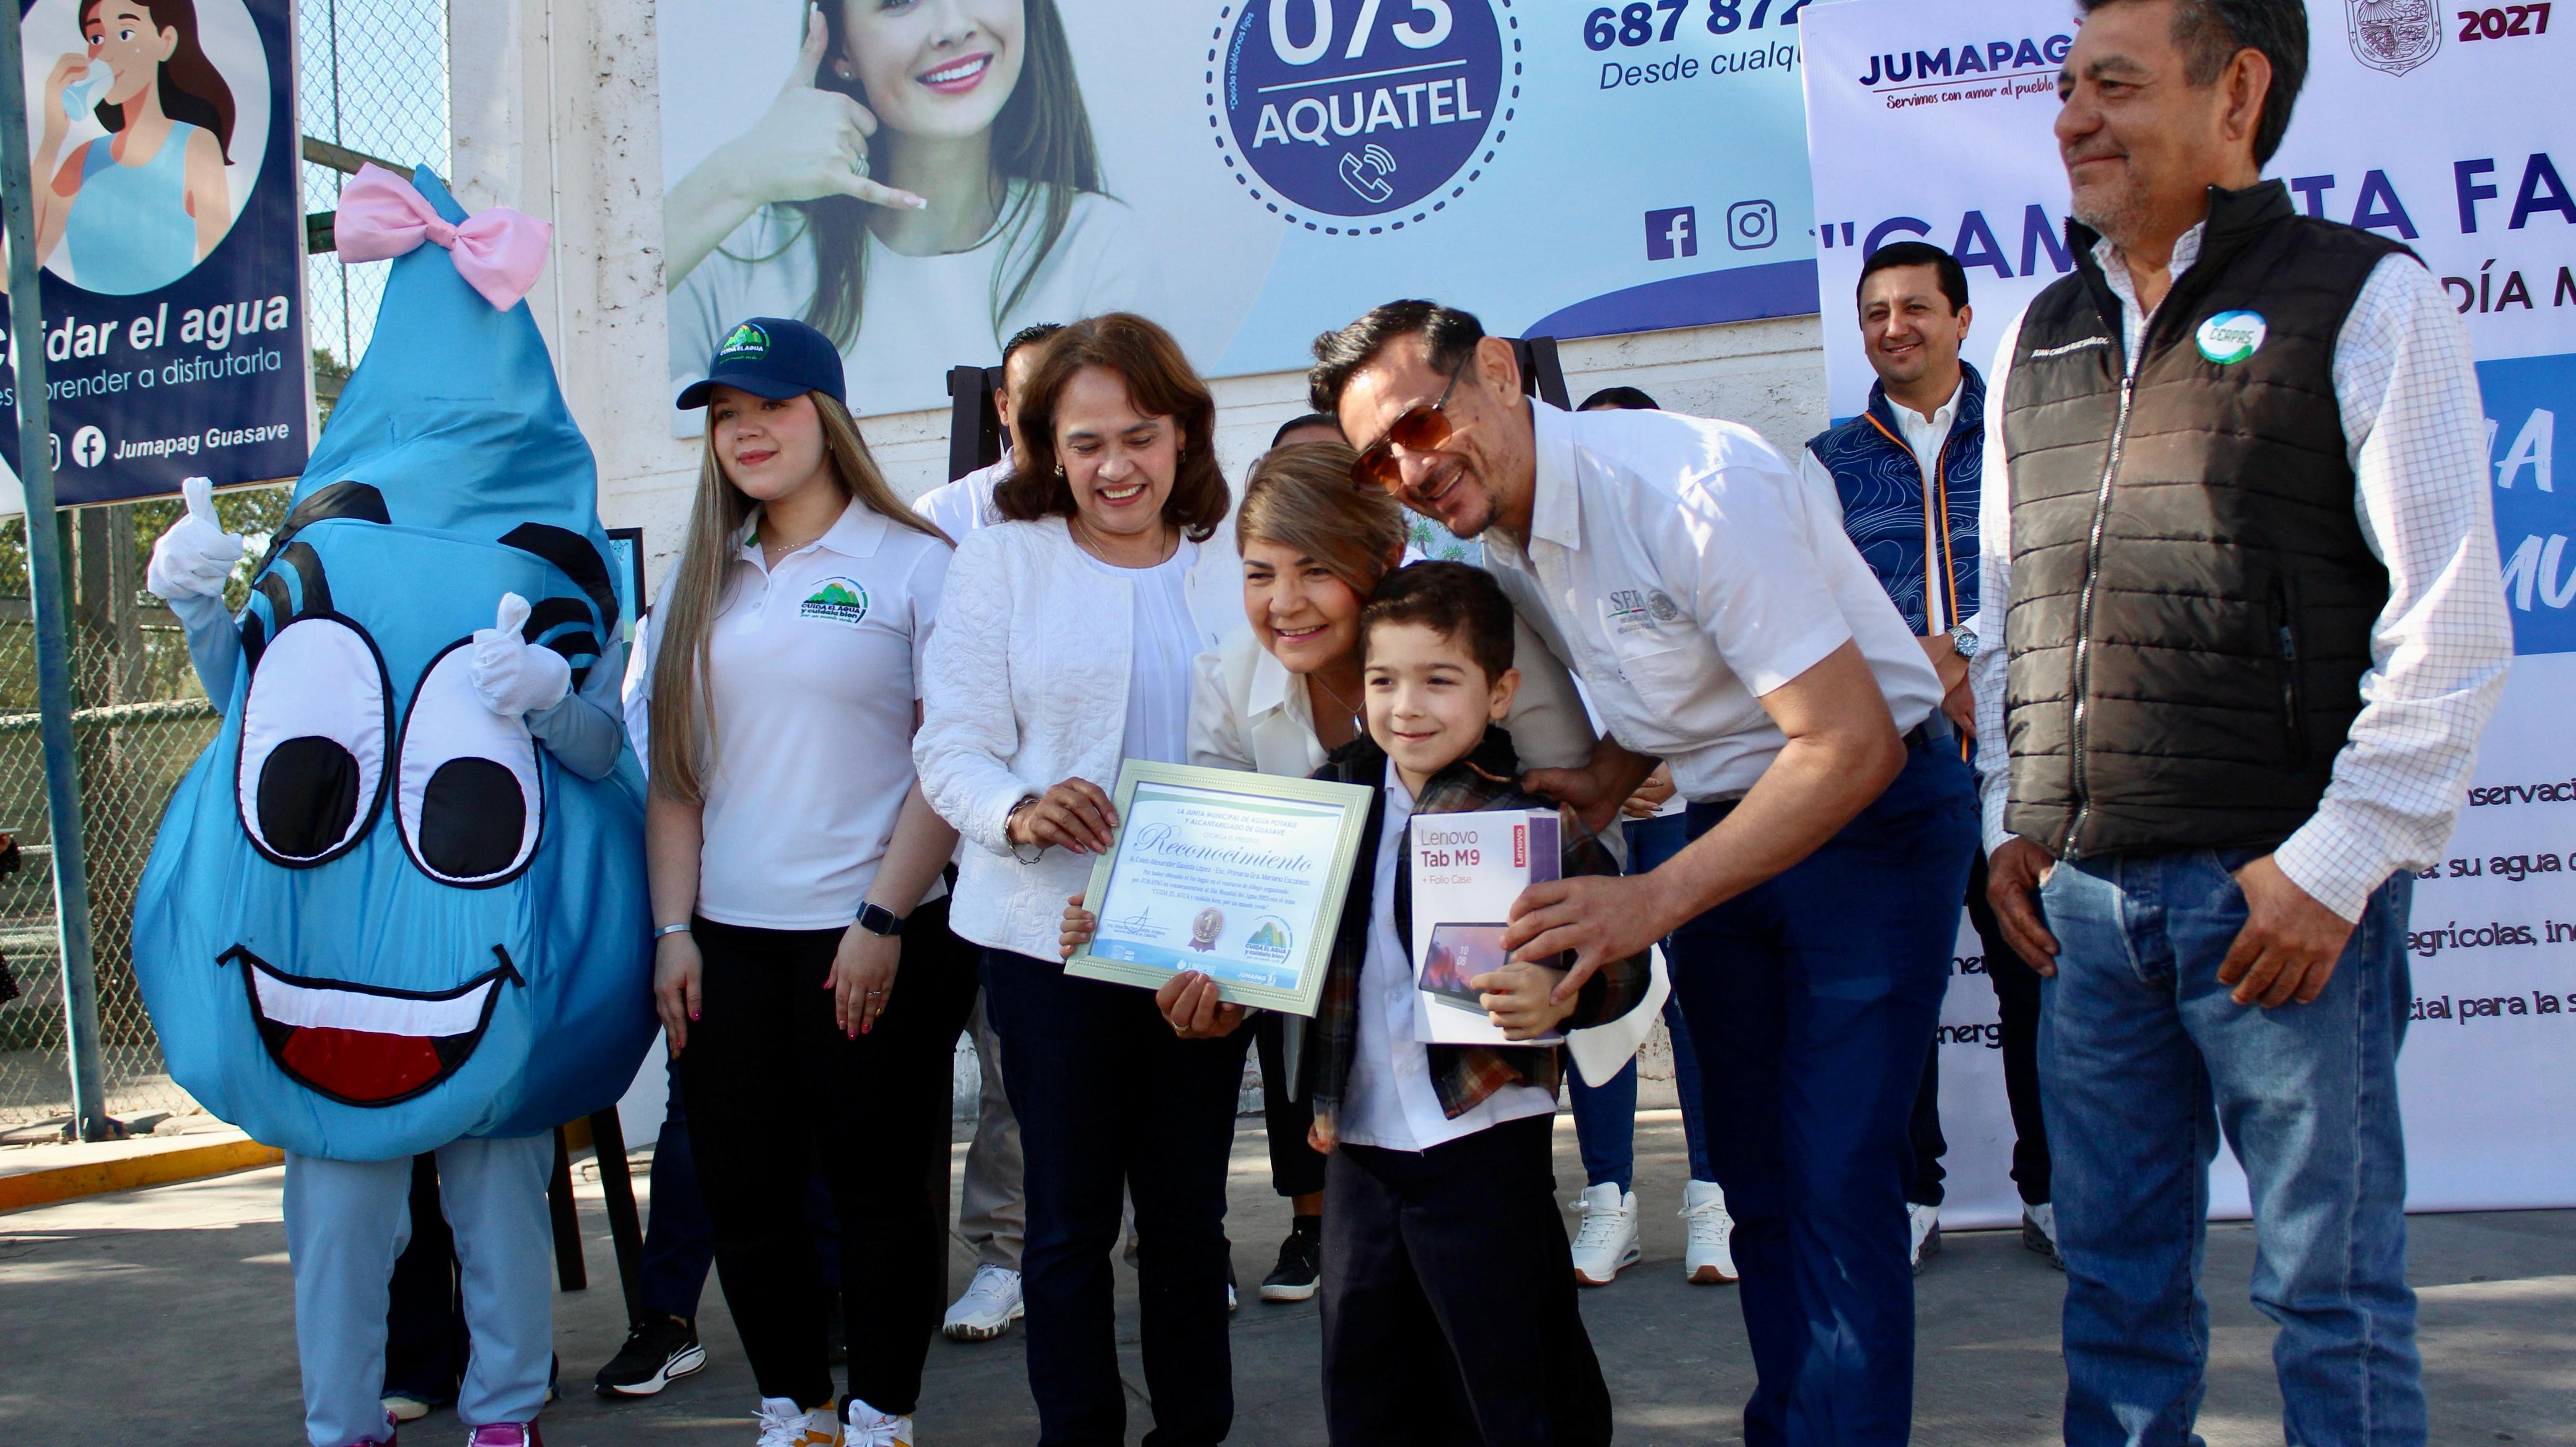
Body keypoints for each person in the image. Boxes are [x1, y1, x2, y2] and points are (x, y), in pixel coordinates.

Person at [1977, 3, 2511, 1441]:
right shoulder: (2043, 329)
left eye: (2113, 85)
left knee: (2327, 1291)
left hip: (2279, 912)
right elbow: (2012, 607)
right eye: (2065, 86)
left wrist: (2331, 865)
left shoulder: (2363, 297)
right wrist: (2012, 815)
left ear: (2239, 92)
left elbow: (2451, 618)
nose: (2070, 117)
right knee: (2114, 1289)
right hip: (2084, 913)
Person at [1313, 300, 1975, 1446]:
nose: (1411, 467)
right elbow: (1688, 678)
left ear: (1501, 374)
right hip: (1733, 828)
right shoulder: (1505, 543)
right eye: (1381, 456)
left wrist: (1648, 900)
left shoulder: (1689, 486)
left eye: (1420, 423)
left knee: (1834, 1183)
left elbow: (1850, 742)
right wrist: (1612, 779)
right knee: (1759, 1189)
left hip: (1866, 823)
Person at [1073, 562, 1651, 1446]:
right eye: (1384, 680)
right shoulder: (1321, 805)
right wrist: (1123, 926)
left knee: (1501, 1374)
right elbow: (1246, 941)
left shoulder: (1527, 817)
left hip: (1482, 1136)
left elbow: (1627, 959)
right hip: (1357, 1145)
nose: (1407, 706)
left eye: (1439, 680)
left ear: (1500, 695)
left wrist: (1560, 991)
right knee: (1365, 1372)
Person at [645, 316, 979, 1447]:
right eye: (728, 417)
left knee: (883, 1194)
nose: (747, 433)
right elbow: (676, 779)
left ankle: (883, 1412)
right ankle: (795, 1408)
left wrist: (885, 915)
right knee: (744, 1196)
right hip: (727, 945)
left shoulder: (913, 563)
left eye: (771, 409)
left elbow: (950, 761)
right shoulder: (701, 578)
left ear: (827, 419)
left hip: (873, 938)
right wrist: (672, 931)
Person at [914, 312, 1247, 1446]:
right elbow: (949, 742)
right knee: (1063, 1227)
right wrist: (1017, 809)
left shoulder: (1232, 557)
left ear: (1183, 435)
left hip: (1203, 943)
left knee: (1189, 1224)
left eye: (1142, 437)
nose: (1117, 467)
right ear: (1047, 445)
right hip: (1044, 943)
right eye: (1089, 440)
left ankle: (1193, 1431)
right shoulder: (1004, 559)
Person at [1188, 440, 1602, 1304]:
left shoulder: (1483, 637)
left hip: (1483, 1084)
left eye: (1315, 570)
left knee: (1504, 1332)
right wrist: (1178, 955)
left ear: (1378, 565)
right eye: (1259, 574)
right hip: (1354, 1085)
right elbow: (1228, 883)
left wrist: (1551, 978)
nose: (1284, 603)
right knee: (1375, 1343)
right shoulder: (1231, 679)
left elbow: (1577, 837)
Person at [1798, 242, 2057, 1274]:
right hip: (1893, 767)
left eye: (1914, 307)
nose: (1893, 327)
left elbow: (2058, 565)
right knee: (1892, 988)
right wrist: (1917, 671)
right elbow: (1812, 603)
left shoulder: (2028, 434)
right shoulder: (1823, 461)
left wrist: (1969, 648)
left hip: (2024, 755)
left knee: (2040, 978)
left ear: (1958, 317)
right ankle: (1908, 1190)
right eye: (1874, 313)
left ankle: (2056, 1187)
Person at [667, 1, 1149, 421]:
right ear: (841, 49)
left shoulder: (1095, 243)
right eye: (899, 0)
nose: (953, 26)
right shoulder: (740, 250)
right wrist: (742, 171)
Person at [908, 319, 1063, 1345]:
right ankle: (995, 1253)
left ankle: (1057, 1251)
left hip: (1079, 855)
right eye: (1030, 393)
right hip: (953, 845)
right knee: (982, 1072)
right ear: (1003, 406)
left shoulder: (1123, 515)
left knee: (1051, 1076)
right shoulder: (936, 521)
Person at [1564, 383, 1733, 1289]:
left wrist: (1677, 764)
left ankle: (1713, 1199)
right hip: (1598, 831)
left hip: (1686, 823)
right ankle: (1609, 1203)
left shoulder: (1695, 537)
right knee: (1600, 1006)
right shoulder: (1548, 564)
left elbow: (1747, 686)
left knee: (1697, 1010)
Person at [34, 0, 237, 293]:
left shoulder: (196, 146)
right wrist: (52, 139)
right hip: (92, 333)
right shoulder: (83, 159)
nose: (107, 53)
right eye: (97, 39)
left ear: (165, 42)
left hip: (172, 328)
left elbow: (223, 279)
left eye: (125, 34)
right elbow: (8, 275)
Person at [914, 320, 1063, 541]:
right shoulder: (941, 515)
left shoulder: (1116, 499)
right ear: (1004, 407)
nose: (1049, 412)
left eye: (1065, 396)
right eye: (1032, 396)